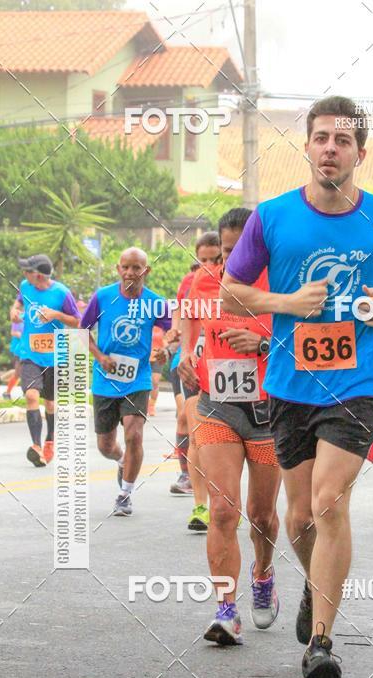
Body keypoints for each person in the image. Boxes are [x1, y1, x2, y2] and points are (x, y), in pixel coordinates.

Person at [220, 96, 373, 678]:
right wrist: (286, 304)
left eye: (342, 140)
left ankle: (321, 646)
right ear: (308, 148)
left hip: (356, 385)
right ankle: (315, 589)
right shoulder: (272, 217)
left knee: (330, 502)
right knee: (299, 516)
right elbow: (231, 292)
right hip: (290, 385)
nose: (330, 149)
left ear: (360, 152)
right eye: (320, 138)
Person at [179, 207, 280, 645]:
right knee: (222, 510)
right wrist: (185, 355)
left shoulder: (282, 281)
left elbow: (307, 340)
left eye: (243, 250)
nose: (232, 259)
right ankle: (225, 610)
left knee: (261, 516)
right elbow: (190, 316)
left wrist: (262, 343)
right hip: (217, 404)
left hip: (268, 410)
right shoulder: (205, 280)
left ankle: (263, 573)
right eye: (226, 250)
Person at [81, 247, 170, 517]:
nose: (130, 272)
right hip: (105, 380)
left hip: (138, 379)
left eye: (136, 268)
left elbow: (171, 330)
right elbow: (82, 331)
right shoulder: (103, 297)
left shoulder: (155, 301)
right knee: (105, 446)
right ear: (118, 269)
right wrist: (100, 357)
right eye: (125, 267)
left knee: (134, 434)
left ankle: (125, 494)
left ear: (146, 271)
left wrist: (165, 348)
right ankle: (121, 460)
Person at [11, 255, 80, 467]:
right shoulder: (25, 285)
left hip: (55, 357)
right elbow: (19, 302)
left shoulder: (62, 293)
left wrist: (56, 315)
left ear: (38, 275)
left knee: (50, 402)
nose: (24, 274)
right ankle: (36, 446)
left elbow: (77, 321)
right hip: (30, 354)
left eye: (27, 270)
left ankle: (50, 439)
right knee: (31, 396)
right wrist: (14, 310)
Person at [169, 232, 220, 505]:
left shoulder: (240, 279)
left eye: (216, 259)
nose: (210, 266)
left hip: (226, 365)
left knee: (219, 435)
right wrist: (177, 334)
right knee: (189, 421)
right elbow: (181, 310)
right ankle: (193, 489)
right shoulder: (191, 282)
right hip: (194, 362)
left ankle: (223, 497)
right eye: (203, 261)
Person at [0, 307, 23, 400]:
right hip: (20, 347)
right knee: (19, 372)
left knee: (20, 371)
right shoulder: (18, 316)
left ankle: (0, 379)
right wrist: (24, 337)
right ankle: (7, 392)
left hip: (26, 347)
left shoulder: (30, 316)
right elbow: (13, 332)